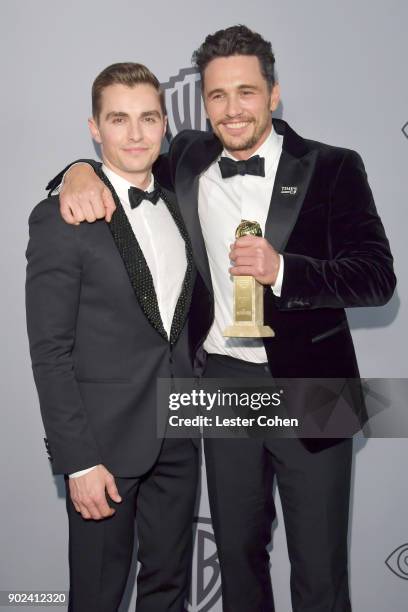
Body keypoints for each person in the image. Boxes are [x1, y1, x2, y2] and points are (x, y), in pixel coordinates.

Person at [47, 26, 396, 612]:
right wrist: (75, 171)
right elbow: (120, 161)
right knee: (237, 557)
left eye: (246, 92)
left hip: (318, 385)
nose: (232, 110)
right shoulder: (186, 157)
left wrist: (285, 270)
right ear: (203, 103)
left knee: (320, 567)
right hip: (223, 381)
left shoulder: (334, 166)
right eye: (216, 96)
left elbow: (377, 278)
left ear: (274, 93)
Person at [26, 62, 200, 612]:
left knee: (169, 589)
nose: (135, 134)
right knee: (98, 597)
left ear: (164, 124)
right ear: (94, 128)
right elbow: (49, 350)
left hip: (178, 432)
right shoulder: (63, 217)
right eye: (118, 119)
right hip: (102, 450)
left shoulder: (179, 199)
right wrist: (78, 461)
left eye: (148, 118)